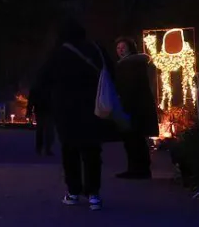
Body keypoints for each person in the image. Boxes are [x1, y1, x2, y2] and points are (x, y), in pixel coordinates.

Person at [33, 20, 112, 210]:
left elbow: (43, 79)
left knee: (70, 150)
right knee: (92, 151)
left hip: (66, 110)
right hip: (93, 107)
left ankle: (73, 191)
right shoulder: (96, 49)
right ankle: (93, 193)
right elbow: (110, 72)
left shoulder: (58, 53)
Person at [114, 36, 158, 179]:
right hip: (138, 105)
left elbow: (130, 86)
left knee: (133, 139)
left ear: (130, 48)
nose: (120, 51)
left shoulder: (130, 65)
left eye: (123, 48)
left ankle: (137, 169)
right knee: (135, 139)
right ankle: (139, 169)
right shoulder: (134, 63)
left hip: (134, 106)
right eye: (118, 48)